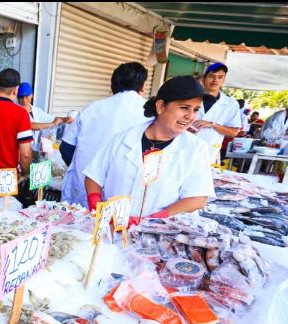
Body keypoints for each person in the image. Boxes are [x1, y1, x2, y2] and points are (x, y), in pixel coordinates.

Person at [83, 76, 215, 223]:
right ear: (160, 107)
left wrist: (152, 220)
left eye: (195, 110)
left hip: (157, 235)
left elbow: (197, 199)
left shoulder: (195, 149)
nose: (190, 116)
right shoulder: (123, 138)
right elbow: (93, 176)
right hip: (110, 229)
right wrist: (97, 206)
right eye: (184, 107)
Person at [60, 62, 149, 207]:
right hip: (123, 194)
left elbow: (66, 148)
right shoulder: (148, 113)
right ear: (143, 86)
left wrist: (80, 168)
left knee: (77, 226)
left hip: (83, 187)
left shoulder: (92, 108)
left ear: (113, 84)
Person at [191, 63, 241, 162]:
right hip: (183, 149)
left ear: (223, 80)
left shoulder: (230, 104)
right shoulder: (189, 98)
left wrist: (212, 125)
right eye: (211, 76)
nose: (215, 80)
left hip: (209, 153)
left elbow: (234, 132)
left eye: (220, 77)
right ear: (204, 79)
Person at [17, 82, 72, 154]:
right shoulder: (15, 111)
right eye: (21, 97)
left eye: (26, 96)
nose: (24, 100)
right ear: (17, 97)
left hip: (36, 150)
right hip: (21, 151)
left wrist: (64, 119)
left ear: (31, 95)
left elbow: (52, 118)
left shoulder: (36, 111)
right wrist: (52, 124)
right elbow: (30, 125)